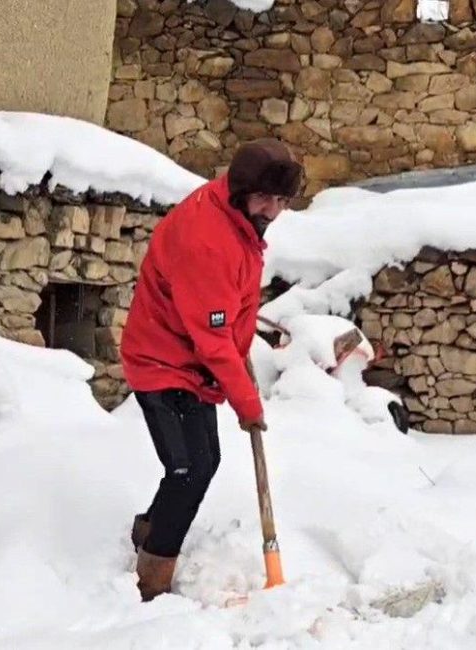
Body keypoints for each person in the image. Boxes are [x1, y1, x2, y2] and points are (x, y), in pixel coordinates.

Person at [119, 138, 303, 602]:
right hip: (162, 360)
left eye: (281, 200)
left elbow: (225, 312)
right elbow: (212, 337)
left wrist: (239, 344)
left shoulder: (237, 219)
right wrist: (247, 402)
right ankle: (151, 579)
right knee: (189, 470)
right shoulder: (207, 240)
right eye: (264, 197)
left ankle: (148, 531)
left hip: (192, 361)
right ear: (240, 191)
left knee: (203, 462)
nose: (273, 210)